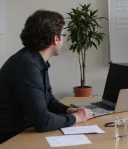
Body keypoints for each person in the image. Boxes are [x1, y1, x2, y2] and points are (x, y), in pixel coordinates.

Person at [0, 10, 93, 144]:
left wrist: (67, 110)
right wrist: (76, 118)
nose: (63, 39)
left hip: (23, 133)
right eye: (63, 35)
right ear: (55, 39)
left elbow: (47, 99)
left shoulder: (34, 60)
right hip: (9, 140)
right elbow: (43, 123)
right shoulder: (27, 66)